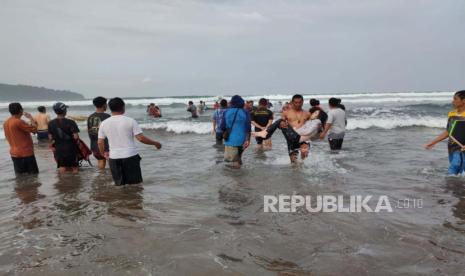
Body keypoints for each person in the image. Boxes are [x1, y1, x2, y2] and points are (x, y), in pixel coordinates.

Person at [98, 97, 162, 185]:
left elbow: (100, 142)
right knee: (135, 185)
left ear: (110, 108)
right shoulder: (130, 121)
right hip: (130, 156)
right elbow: (140, 138)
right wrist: (155, 143)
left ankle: (122, 199)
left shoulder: (104, 123)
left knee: (119, 185)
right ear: (123, 107)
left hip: (114, 157)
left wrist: (103, 154)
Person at [425, 90, 465, 175]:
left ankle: (447, 183)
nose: (452, 101)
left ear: (464, 100)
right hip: (451, 147)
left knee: (455, 167)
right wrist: (433, 142)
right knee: (459, 172)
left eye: (455, 99)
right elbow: (448, 131)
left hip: (462, 148)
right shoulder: (451, 114)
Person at [3, 103, 39, 175]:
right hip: (25, 153)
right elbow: (35, 130)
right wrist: (31, 118)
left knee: (20, 177)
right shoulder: (18, 121)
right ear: (21, 110)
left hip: (14, 153)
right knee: (33, 176)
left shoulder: (6, 122)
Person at [278, 95, 312, 162]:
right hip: (292, 138)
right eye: (296, 102)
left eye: (300, 102)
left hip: (304, 137)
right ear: (292, 103)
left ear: (303, 102)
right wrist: (281, 125)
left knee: (304, 156)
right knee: (294, 161)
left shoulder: (307, 113)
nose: (298, 104)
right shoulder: (286, 113)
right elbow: (280, 124)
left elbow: (312, 126)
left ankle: (303, 170)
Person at [48, 102, 80, 173]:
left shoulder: (51, 123)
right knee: (74, 166)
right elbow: (76, 137)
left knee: (62, 166)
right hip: (71, 148)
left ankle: (63, 182)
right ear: (65, 110)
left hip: (58, 148)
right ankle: (76, 182)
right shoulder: (71, 122)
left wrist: (52, 145)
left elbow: (50, 137)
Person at [220, 95, 251, 168]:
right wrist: (248, 140)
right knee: (238, 158)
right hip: (242, 140)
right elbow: (248, 127)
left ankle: (237, 178)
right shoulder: (245, 112)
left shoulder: (227, 112)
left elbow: (222, 127)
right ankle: (241, 176)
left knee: (233, 162)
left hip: (231, 140)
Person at [87, 96, 111, 170]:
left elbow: (89, 131)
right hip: (106, 145)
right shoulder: (107, 116)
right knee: (111, 163)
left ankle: (101, 177)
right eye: (106, 104)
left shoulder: (90, 117)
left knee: (101, 161)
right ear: (104, 105)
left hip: (94, 145)